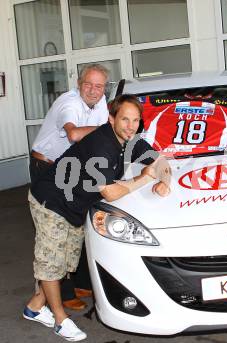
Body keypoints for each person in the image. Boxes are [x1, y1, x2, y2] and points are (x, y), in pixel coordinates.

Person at [23, 94, 171, 341]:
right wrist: (146, 178)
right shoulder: (101, 146)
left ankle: (35, 307)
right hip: (52, 200)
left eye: (135, 120)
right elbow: (111, 193)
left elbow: (160, 160)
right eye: (125, 119)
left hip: (75, 205)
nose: (130, 125)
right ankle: (60, 320)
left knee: (64, 262)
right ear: (112, 118)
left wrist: (165, 181)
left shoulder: (130, 140)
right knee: (51, 262)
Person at [29, 63, 110, 310]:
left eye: (99, 86)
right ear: (79, 84)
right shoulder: (70, 103)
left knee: (79, 226)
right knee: (55, 233)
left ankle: (79, 283)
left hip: (72, 169)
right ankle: (60, 296)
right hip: (47, 167)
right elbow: (74, 134)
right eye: (88, 85)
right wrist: (110, 130)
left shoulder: (101, 100)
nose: (93, 90)